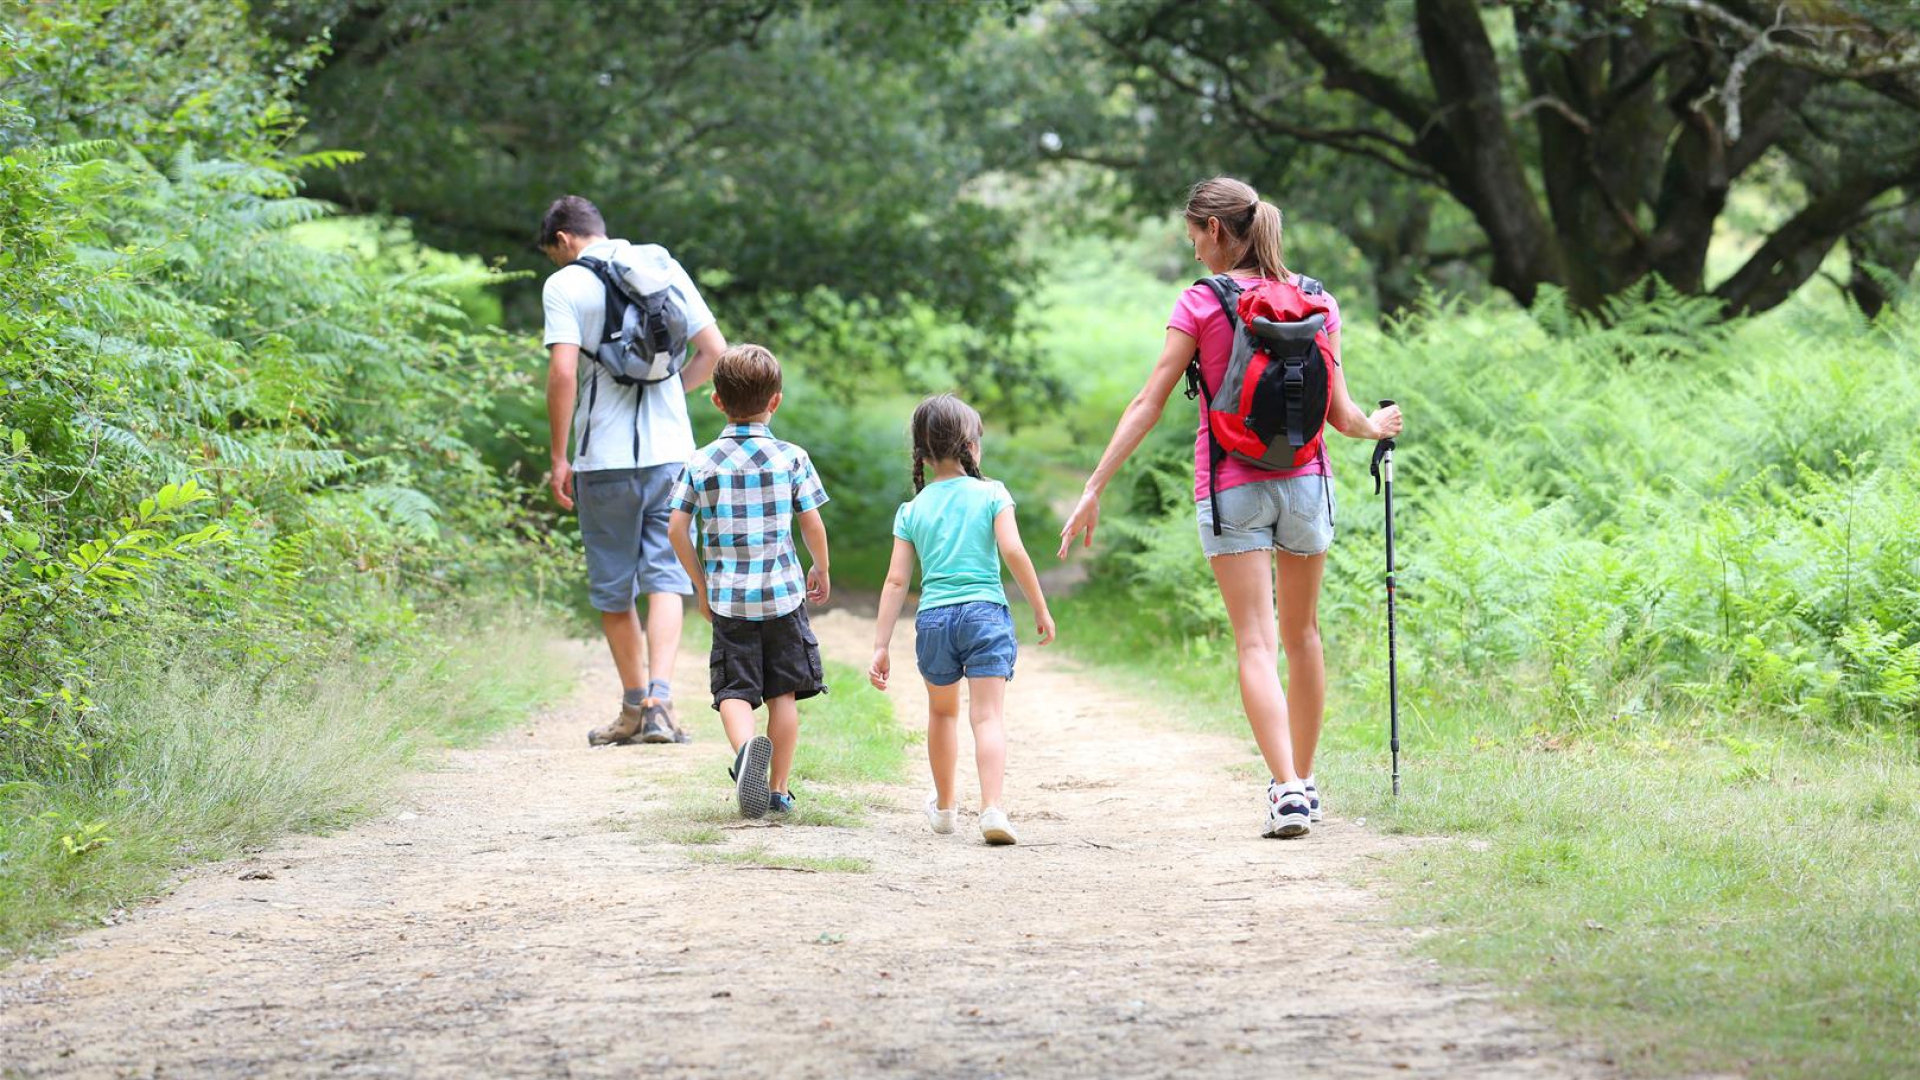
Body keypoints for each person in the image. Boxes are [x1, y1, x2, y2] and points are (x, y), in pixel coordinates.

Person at [1057, 177, 1404, 839]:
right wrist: (1376, 426)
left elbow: (1149, 402)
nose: (1193, 253)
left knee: (1255, 640)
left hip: (1230, 485)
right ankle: (1303, 783)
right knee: (1304, 637)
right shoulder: (1316, 300)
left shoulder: (1200, 302)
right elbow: (1340, 413)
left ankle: (1287, 791)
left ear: (1215, 230)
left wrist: (1094, 485)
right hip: (1308, 484)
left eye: (1194, 236)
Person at [538, 195, 727, 747]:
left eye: (555, 253)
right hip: (672, 453)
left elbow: (563, 372)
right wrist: (670, 390)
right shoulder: (661, 266)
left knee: (614, 589)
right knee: (666, 576)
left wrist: (558, 455)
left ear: (564, 240)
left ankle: (630, 708)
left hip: (604, 460)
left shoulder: (565, 284)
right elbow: (714, 350)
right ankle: (661, 704)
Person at [868, 394, 1056, 846]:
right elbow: (1013, 550)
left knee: (941, 713)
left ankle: (947, 807)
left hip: (934, 620)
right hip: (985, 614)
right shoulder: (992, 493)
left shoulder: (912, 510)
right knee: (987, 717)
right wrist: (1039, 606)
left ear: (921, 453)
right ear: (971, 445)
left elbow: (896, 581)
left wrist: (880, 644)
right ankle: (992, 807)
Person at [668, 345, 831, 819]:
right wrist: (819, 567)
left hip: (728, 600)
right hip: (782, 595)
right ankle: (778, 790)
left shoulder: (701, 462)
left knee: (734, 692)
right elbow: (812, 523)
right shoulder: (791, 458)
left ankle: (745, 756)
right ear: (775, 401)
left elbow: (676, 528)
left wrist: (700, 586)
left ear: (717, 400)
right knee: (783, 694)